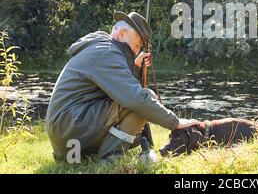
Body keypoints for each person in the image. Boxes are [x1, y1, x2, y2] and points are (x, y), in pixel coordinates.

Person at [45, 11, 198, 163]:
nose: (136, 51)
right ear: (123, 33)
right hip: (70, 129)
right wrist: (175, 122)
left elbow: (114, 90)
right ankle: (110, 158)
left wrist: (135, 68)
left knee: (137, 129)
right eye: (137, 45)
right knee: (146, 98)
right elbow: (135, 99)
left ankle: (88, 154)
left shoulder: (102, 47)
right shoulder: (107, 53)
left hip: (67, 133)